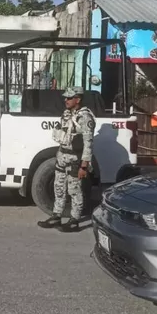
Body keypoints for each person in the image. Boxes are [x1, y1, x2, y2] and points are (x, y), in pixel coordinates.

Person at [37, 86, 96, 233]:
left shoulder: (85, 117)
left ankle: (74, 220)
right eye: (66, 97)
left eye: (69, 98)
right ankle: (56, 216)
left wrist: (84, 165)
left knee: (74, 190)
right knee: (58, 187)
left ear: (78, 99)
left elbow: (88, 143)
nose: (66, 100)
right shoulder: (66, 114)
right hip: (62, 155)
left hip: (75, 158)